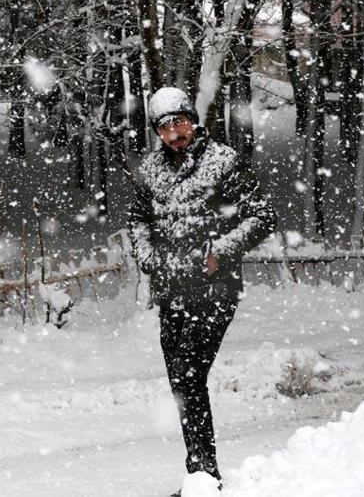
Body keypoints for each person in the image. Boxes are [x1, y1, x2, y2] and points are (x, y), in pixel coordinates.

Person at [128, 87, 277, 491]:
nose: (174, 134)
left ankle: (204, 477)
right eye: (164, 127)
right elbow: (138, 219)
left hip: (214, 292)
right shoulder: (151, 170)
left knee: (189, 378)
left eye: (179, 123)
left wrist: (220, 251)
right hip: (171, 291)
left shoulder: (223, 162)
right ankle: (200, 475)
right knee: (180, 384)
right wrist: (146, 255)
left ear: (192, 120)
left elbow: (262, 216)